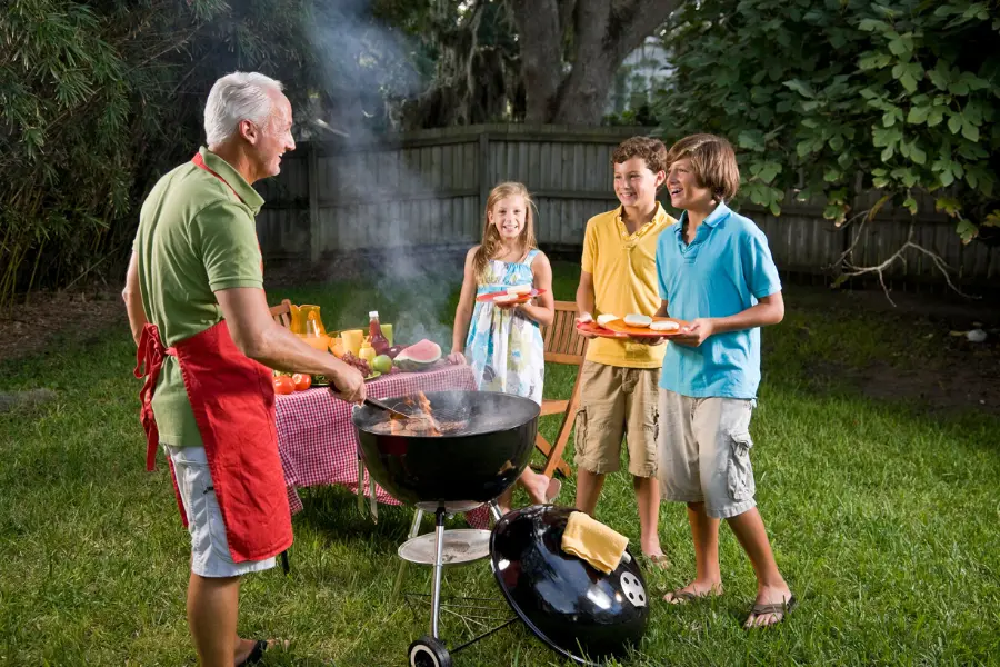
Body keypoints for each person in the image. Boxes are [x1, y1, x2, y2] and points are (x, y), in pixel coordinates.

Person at [123, 71, 367, 667]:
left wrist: (167, 362)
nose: (291, 141)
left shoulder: (172, 186)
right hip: (210, 407)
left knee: (221, 540)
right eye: (284, 127)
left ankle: (228, 645)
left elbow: (131, 292)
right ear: (248, 129)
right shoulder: (222, 209)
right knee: (216, 557)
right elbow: (255, 335)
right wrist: (334, 368)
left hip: (187, 393)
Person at [654, 133, 794, 627]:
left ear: (713, 179)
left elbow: (773, 308)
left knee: (725, 483)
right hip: (676, 376)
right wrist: (640, 327)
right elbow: (668, 308)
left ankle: (773, 583)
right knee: (694, 484)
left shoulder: (743, 235)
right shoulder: (667, 240)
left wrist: (715, 325)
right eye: (671, 168)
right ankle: (707, 576)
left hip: (726, 379)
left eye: (684, 168)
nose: (672, 177)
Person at [574, 136, 675, 568]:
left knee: (647, 457)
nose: (624, 185)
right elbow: (586, 286)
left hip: (653, 363)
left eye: (633, 176)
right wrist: (583, 315)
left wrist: (660, 322)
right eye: (618, 176)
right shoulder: (598, 226)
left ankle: (649, 540)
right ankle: (579, 525)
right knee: (592, 452)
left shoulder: (674, 233)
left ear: (660, 179)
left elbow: (675, 296)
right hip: (602, 356)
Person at [450, 181, 560, 513]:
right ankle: (532, 481)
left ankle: (506, 515)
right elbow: (464, 308)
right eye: (502, 212)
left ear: (526, 216)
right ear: (490, 215)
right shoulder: (477, 257)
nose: (510, 218)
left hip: (521, 352)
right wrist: (456, 350)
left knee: (513, 425)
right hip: (482, 350)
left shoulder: (537, 261)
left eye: (517, 212)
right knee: (483, 423)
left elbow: (549, 315)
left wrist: (525, 307)